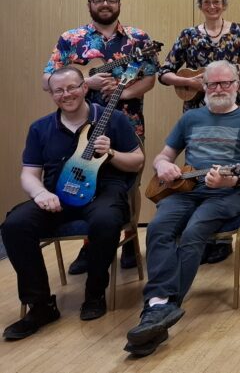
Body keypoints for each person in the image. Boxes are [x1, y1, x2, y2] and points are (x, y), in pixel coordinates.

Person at [124, 61, 240, 357]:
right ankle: (159, 307)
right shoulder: (190, 118)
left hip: (228, 193)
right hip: (186, 190)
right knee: (159, 227)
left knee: (193, 232)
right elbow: (163, 156)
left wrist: (233, 180)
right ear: (203, 87)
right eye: (213, 84)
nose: (219, 89)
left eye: (225, 83)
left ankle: (160, 308)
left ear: (236, 86)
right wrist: (163, 166)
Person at [1, 67, 144, 340]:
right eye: (59, 90)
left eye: (72, 87)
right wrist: (40, 194)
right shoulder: (40, 128)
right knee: (15, 225)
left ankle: (94, 293)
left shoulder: (113, 119)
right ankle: (40, 306)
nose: (66, 94)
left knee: (106, 221)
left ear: (84, 87)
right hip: (59, 195)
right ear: (52, 94)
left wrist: (112, 152)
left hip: (103, 193)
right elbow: (29, 173)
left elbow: (137, 161)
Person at [43, 0, 158, 275]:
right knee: (85, 178)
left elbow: (149, 77)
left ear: (119, 3)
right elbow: (47, 79)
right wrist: (86, 82)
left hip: (128, 123)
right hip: (78, 127)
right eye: (98, 0)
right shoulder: (71, 38)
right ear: (89, 4)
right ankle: (90, 243)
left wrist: (124, 92)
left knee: (130, 184)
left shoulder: (138, 38)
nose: (105, 4)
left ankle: (130, 239)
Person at [159, 0, 240, 265]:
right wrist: (191, 82)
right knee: (198, 165)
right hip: (196, 110)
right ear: (200, 6)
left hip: (231, 108)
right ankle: (196, 234)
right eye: (206, 2)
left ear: (224, 4)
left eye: (217, 1)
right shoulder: (188, 35)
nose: (212, 6)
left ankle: (220, 237)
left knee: (229, 162)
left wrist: (235, 76)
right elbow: (164, 72)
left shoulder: (238, 31)